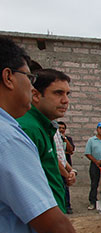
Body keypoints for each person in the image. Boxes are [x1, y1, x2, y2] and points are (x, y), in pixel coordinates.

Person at [0, 37, 81, 233]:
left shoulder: (37, 128)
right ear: (9, 77)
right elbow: (41, 214)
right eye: (28, 77)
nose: (65, 100)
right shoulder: (15, 134)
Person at [17, 69, 75, 214]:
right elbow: (26, 192)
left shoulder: (45, 127)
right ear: (36, 95)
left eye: (67, 94)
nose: (65, 100)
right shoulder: (29, 129)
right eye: (58, 93)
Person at [58, 121, 76, 213]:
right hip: (58, 167)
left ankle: (67, 206)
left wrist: (64, 139)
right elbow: (57, 155)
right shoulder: (54, 138)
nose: (61, 130)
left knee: (66, 186)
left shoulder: (67, 138)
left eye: (63, 128)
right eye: (59, 128)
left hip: (66, 165)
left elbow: (71, 150)